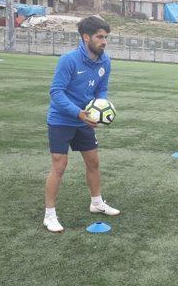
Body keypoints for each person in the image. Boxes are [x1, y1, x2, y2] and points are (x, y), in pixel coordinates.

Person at [43, 16, 120, 233]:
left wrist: (99, 107)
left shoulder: (105, 62)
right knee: (59, 166)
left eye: (106, 37)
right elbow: (56, 92)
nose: (104, 41)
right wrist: (78, 113)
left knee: (93, 162)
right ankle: (49, 215)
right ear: (86, 37)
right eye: (99, 37)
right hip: (62, 119)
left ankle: (96, 203)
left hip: (85, 118)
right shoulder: (69, 60)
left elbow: (101, 90)